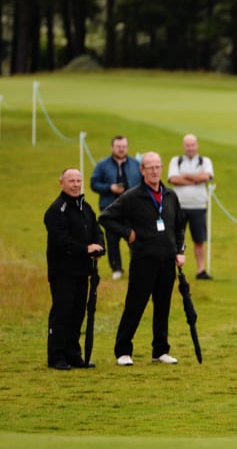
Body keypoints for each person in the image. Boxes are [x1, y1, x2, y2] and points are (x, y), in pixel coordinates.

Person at [98, 152, 186, 366]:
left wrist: (179, 250)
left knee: (163, 307)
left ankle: (160, 350)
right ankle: (123, 351)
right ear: (142, 170)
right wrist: (127, 233)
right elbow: (106, 217)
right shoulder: (132, 196)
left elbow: (179, 225)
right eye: (150, 167)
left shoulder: (170, 195)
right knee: (135, 306)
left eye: (158, 167)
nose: (154, 171)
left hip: (167, 262)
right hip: (143, 261)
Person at [44, 168, 106, 370]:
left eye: (79, 180)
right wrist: (85, 249)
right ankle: (57, 356)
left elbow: (97, 231)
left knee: (78, 313)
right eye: (71, 180)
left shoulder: (85, 208)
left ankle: (73, 354)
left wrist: (99, 247)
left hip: (82, 270)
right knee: (62, 312)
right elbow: (60, 239)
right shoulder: (57, 210)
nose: (76, 184)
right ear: (61, 183)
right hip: (63, 271)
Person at [90, 135, 141, 280]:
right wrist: (109, 187)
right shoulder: (102, 165)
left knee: (134, 238)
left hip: (132, 210)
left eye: (124, 146)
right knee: (112, 240)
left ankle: (136, 268)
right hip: (110, 208)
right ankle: (116, 268)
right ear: (112, 147)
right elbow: (94, 183)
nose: (121, 149)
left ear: (127, 147)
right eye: (118, 146)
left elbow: (143, 183)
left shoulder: (136, 164)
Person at [167, 134, 215, 279]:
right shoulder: (176, 160)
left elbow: (206, 177)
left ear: (197, 145)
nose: (190, 148)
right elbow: (173, 179)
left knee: (199, 239)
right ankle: (171, 268)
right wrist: (195, 179)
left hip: (198, 205)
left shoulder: (204, 161)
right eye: (187, 145)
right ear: (183, 146)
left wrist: (186, 176)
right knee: (174, 238)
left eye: (192, 145)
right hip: (179, 206)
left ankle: (200, 270)